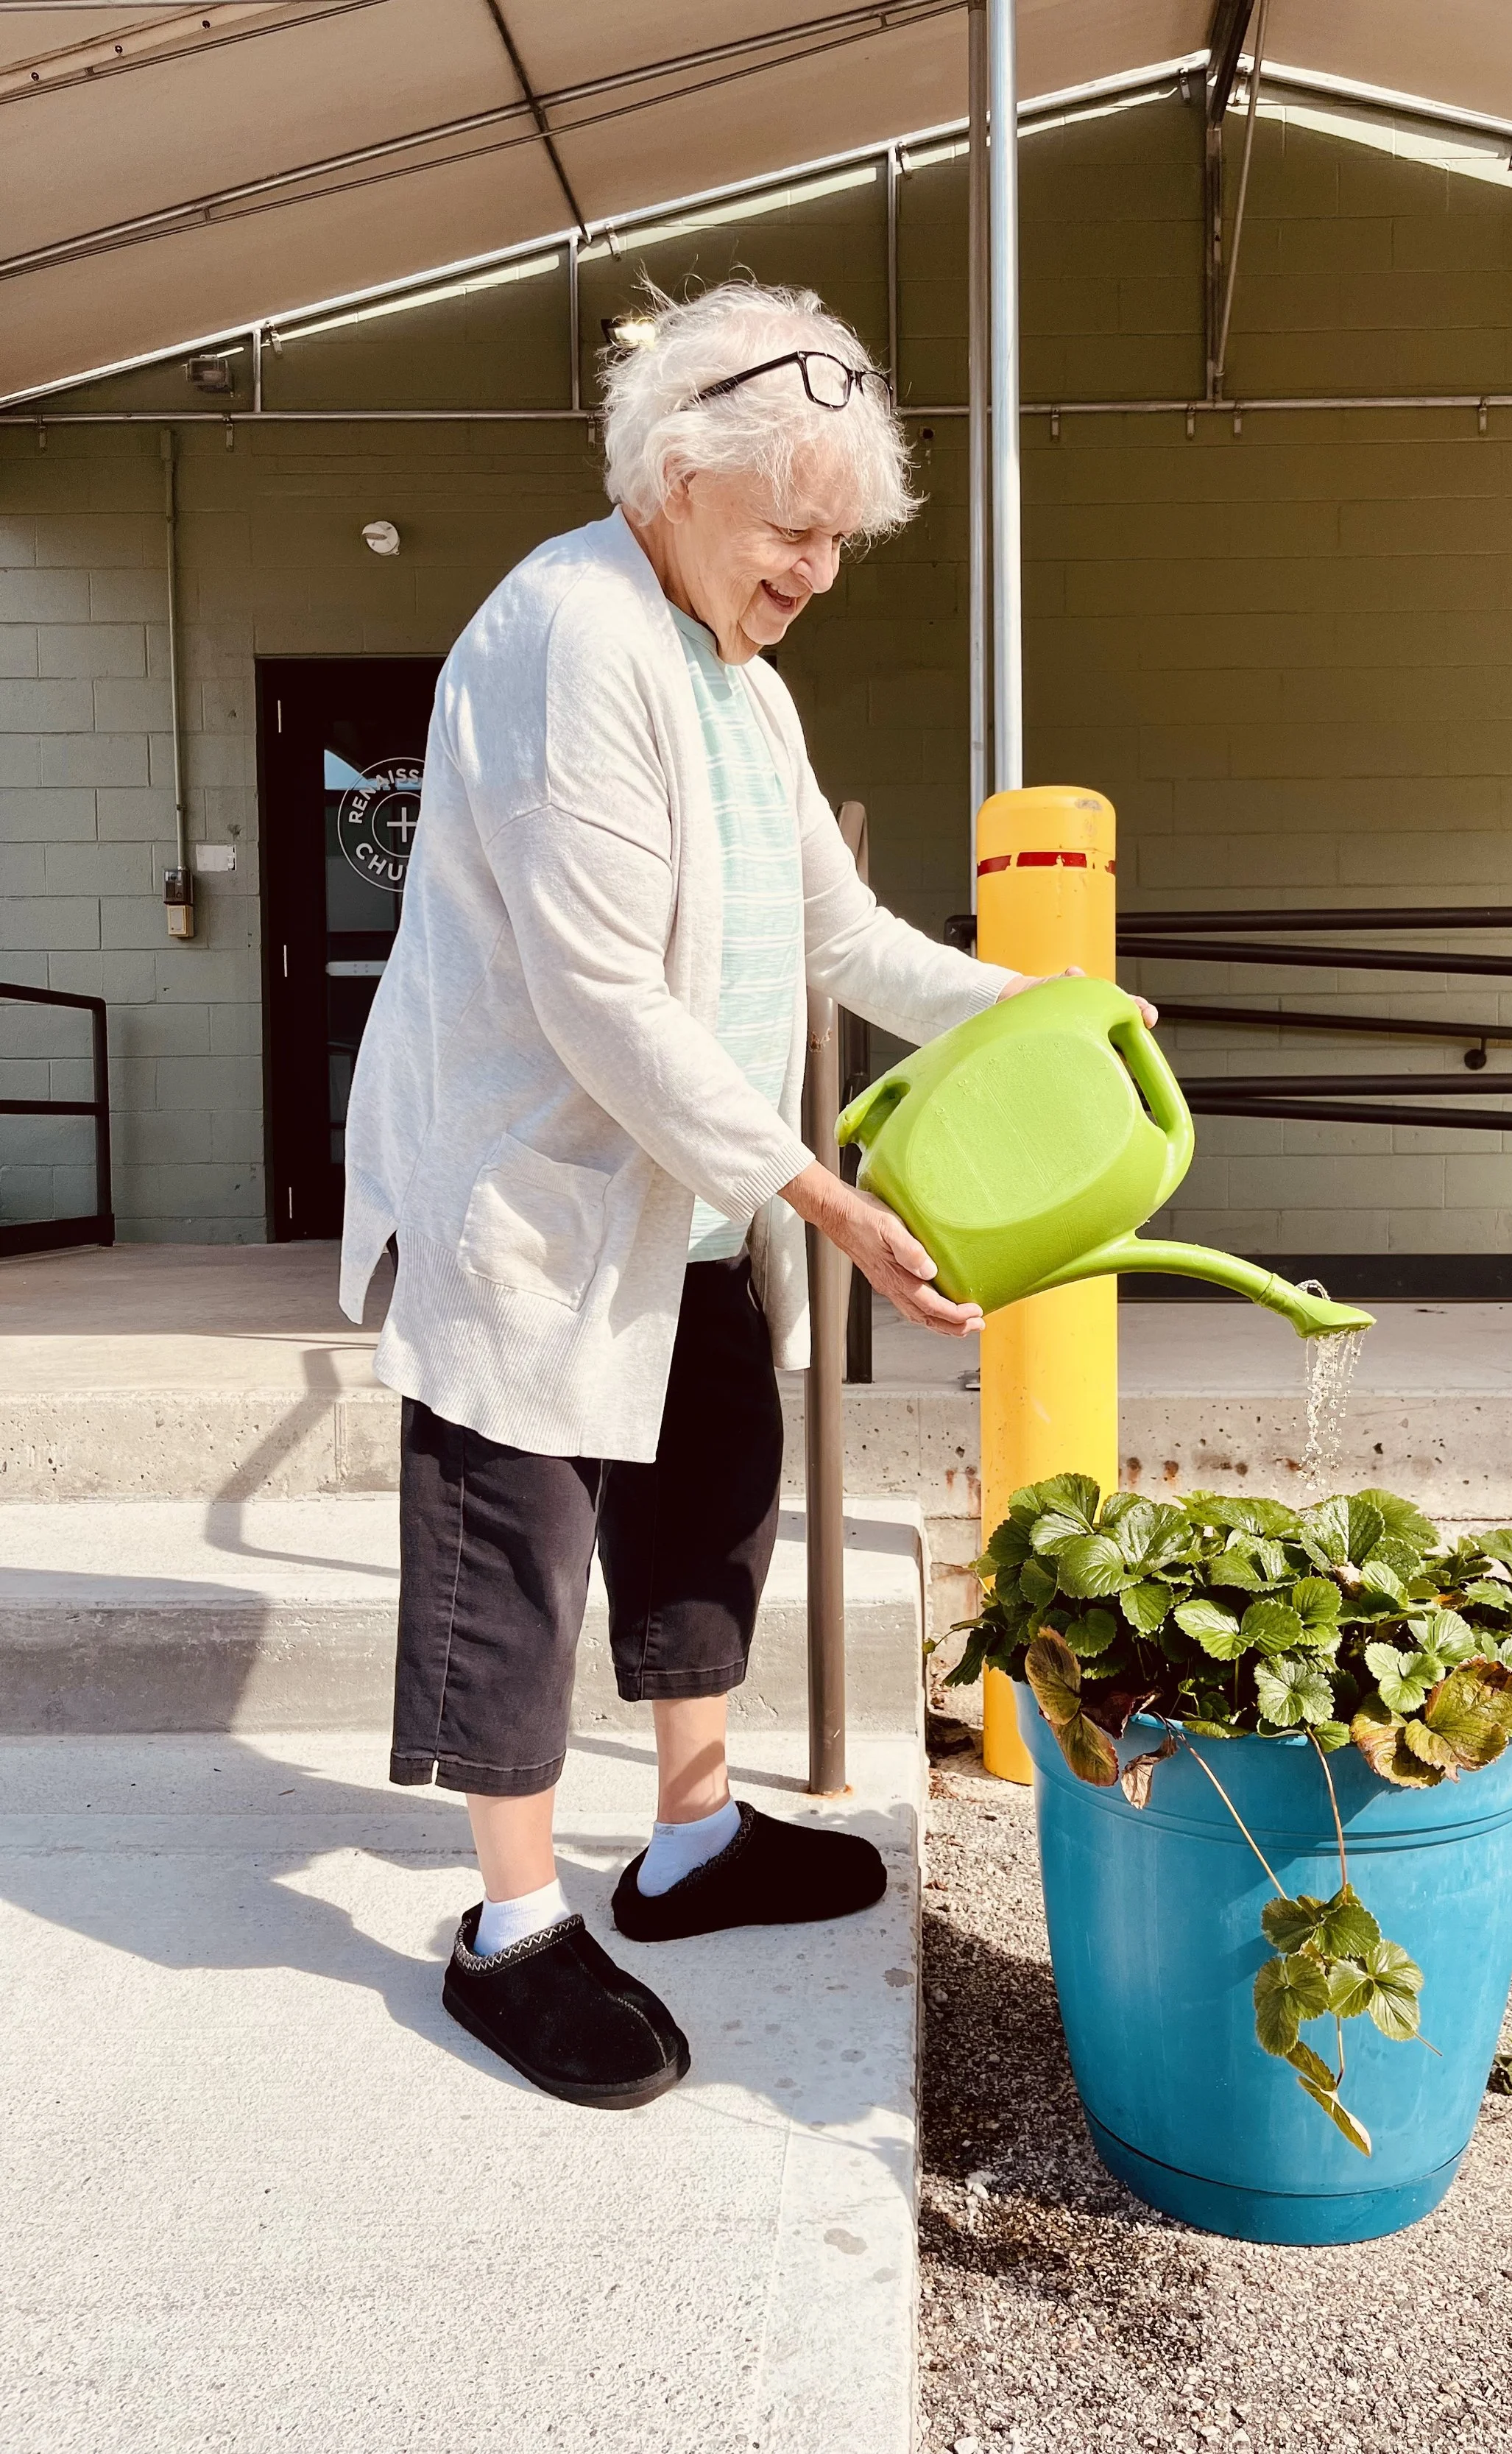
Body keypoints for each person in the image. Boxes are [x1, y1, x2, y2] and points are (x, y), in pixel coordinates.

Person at [339, 279, 1150, 2106]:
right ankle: (516, 1927)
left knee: (710, 1498)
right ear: (677, 470)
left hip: (685, 1192)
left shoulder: (736, 682)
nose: (815, 570)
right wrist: (822, 1189)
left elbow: (841, 935)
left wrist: (1044, 1005)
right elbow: (597, 996)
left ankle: (691, 1844)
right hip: (531, 1194)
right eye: (795, 527)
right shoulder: (569, 634)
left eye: (837, 537)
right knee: (518, 1555)